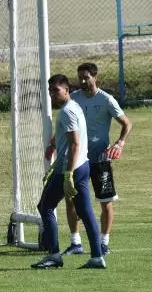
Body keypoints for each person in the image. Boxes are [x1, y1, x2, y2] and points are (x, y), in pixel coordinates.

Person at [32, 75, 105, 270]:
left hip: (72, 168)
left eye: (56, 90)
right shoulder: (74, 107)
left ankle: (54, 255)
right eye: (50, 91)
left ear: (66, 90)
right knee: (85, 211)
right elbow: (68, 145)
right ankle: (97, 257)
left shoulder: (67, 112)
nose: (52, 94)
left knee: (46, 206)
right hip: (80, 166)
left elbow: (74, 144)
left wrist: (67, 174)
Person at [61, 62, 133, 257]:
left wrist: (119, 144)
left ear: (95, 78)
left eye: (86, 77)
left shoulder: (106, 100)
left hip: (100, 159)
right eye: (80, 78)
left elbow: (127, 123)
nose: (83, 81)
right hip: (78, 160)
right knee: (71, 199)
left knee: (105, 202)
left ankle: (104, 243)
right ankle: (76, 242)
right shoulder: (74, 99)